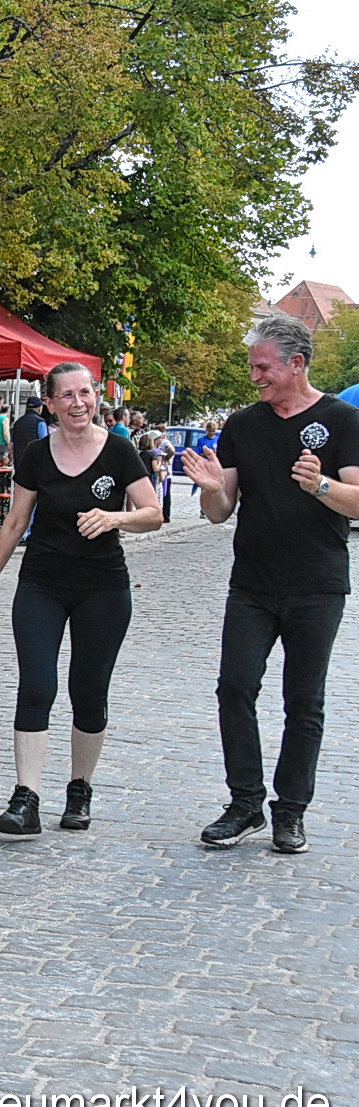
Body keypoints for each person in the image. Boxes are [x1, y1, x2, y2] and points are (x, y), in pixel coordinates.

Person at [183, 315, 359, 854]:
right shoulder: (243, 424)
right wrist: (210, 487)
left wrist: (320, 484)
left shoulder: (343, 419)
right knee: (235, 688)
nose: (255, 376)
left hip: (317, 585)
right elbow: (220, 510)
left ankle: (291, 811)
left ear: (296, 363)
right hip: (253, 585)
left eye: (263, 367)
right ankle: (245, 803)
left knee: (303, 702)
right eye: (253, 366)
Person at [0, 363, 161, 834]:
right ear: (51, 404)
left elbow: (153, 513)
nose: (79, 403)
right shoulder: (37, 454)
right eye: (68, 395)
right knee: (37, 686)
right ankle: (26, 799)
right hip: (42, 584)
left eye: (86, 393)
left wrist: (115, 519)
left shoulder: (118, 450)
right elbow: (16, 521)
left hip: (103, 588)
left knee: (88, 692)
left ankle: (80, 789)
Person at [10, 395, 50, 469]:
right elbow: (44, 444)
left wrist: (14, 460)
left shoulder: (18, 423)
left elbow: (11, 445)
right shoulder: (40, 422)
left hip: (20, 463)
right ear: (39, 408)